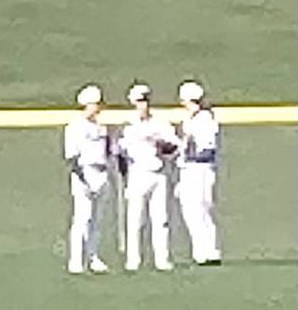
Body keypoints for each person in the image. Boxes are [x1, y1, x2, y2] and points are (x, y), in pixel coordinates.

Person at [118, 83, 178, 272]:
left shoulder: (160, 123)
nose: (142, 104)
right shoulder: (128, 125)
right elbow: (121, 151)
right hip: (137, 174)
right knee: (135, 219)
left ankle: (162, 259)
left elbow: (175, 146)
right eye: (138, 101)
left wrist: (162, 146)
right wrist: (124, 173)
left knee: (160, 219)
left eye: (144, 100)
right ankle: (133, 259)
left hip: (158, 174)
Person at [63, 85, 113, 274]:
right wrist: (83, 179)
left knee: (97, 219)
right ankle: (76, 260)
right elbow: (72, 156)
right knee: (82, 218)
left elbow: (107, 151)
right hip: (84, 173)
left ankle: (93, 256)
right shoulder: (75, 127)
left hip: (101, 173)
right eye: (96, 104)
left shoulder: (101, 127)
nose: (99, 108)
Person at [176, 80, 222, 265]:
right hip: (192, 168)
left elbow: (207, 150)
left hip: (198, 169)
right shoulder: (193, 119)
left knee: (197, 209)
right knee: (196, 210)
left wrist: (188, 157)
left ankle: (205, 251)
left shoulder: (204, 119)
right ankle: (207, 250)